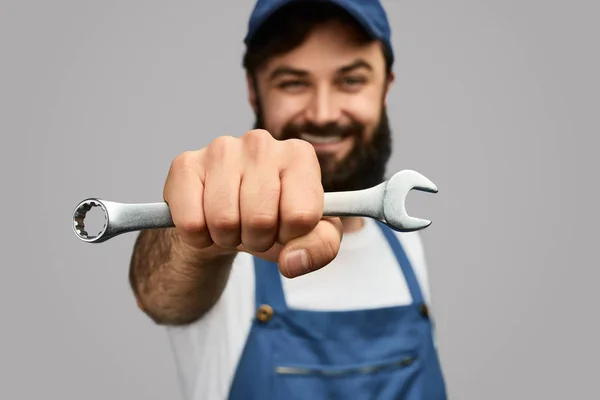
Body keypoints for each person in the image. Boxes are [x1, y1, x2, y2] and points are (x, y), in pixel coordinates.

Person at [128, 0, 448, 399]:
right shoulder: (228, 242)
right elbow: (159, 294)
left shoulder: (404, 242)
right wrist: (196, 238)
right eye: (293, 82)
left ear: (386, 87)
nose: (324, 113)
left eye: (351, 80)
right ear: (253, 91)